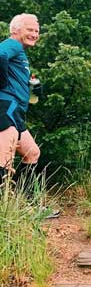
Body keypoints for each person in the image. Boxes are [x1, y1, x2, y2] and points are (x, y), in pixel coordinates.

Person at [0, 13, 41, 184]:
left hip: (15, 110)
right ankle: (4, 200)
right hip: (6, 107)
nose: (34, 34)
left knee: (32, 152)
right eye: (29, 30)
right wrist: (2, 81)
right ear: (15, 30)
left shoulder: (20, 53)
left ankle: (22, 198)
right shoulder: (13, 44)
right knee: (4, 160)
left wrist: (31, 87)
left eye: (37, 31)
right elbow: (0, 55)